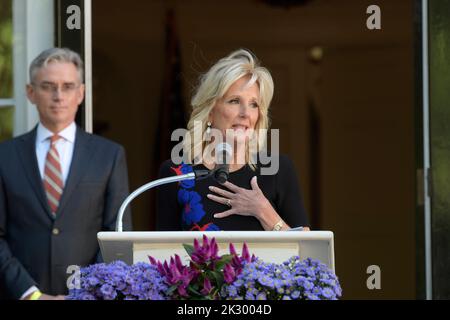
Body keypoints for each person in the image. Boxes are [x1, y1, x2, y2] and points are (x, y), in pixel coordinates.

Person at [0, 48, 132, 300]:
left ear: (81, 93)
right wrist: (30, 294)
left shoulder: (109, 155)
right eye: (48, 86)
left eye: (68, 86)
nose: (58, 96)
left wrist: (87, 292)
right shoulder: (5, 157)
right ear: (30, 93)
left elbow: (118, 233)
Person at [156, 49, 309, 232]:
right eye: (235, 101)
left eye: (254, 104)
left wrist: (263, 211)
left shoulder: (278, 169)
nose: (245, 113)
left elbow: (305, 253)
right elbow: (162, 254)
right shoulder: (177, 174)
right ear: (210, 112)